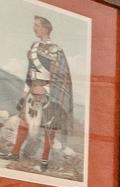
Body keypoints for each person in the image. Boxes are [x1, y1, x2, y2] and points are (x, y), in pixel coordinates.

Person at [10, 14, 75, 169]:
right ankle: (14, 153)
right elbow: (30, 72)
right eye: (35, 25)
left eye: (38, 25)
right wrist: (25, 92)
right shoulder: (34, 47)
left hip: (50, 93)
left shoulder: (56, 50)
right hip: (33, 90)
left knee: (49, 127)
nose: (35, 28)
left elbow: (61, 76)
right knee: (24, 122)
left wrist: (45, 88)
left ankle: (44, 160)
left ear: (46, 28)